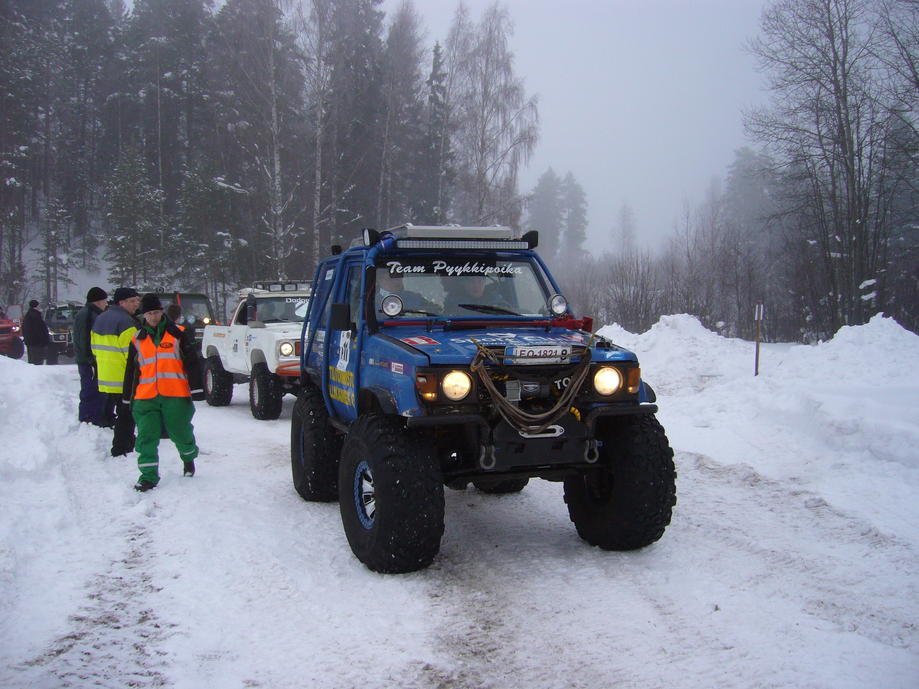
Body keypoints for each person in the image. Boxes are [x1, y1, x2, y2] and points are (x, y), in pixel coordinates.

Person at [123, 293, 203, 492]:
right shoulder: (137, 339)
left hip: (175, 395)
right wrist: (126, 398)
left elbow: (192, 363)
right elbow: (131, 371)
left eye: (156, 312)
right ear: (144, 315)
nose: (153, 317)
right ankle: (148, 476)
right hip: (145, 397)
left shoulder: (178, 334)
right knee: (146, 436)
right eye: (149, 313)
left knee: (180, 431)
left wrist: (197, 388)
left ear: (162, 312)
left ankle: (188, 458)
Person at [91, 287, 140, 456]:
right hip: (123, 377)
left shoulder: (100, 318)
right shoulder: (126, 322)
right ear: (121, 303)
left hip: (106, 376)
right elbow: (132, 355)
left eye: (137, 300)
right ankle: (122, 447)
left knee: (121, 413)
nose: (136, 304)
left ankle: (124, 443)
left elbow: (94, 348)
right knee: (126, 414)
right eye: (132, 301)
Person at [73, 287, 110, 425]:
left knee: (96, 389)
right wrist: (91, 359)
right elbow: (85, 339)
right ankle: (88, 417)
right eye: (105, 301)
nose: (106, 303)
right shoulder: (88, 315)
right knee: (90, 389)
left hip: (90, 359)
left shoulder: (91, 313)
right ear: (98, 301)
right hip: (88, 361)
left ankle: (96, 416)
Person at [22, 299, 51, 364]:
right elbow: (39, 329)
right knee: (37, 361)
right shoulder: (36, 316)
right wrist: (44, 339)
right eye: (38, 305)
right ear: (36, 306)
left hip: (30, 342)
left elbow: (24, 328)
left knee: (32, 361)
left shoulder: (28, 315)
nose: (39, 307)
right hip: (37, 343)